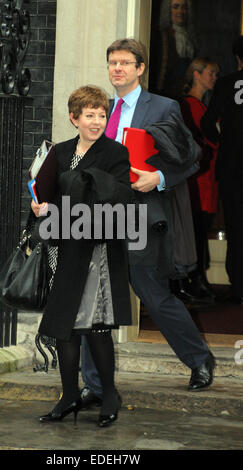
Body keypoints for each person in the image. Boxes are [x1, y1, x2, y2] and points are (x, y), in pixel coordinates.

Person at [80, 38, 216, 410]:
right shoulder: (99, 109)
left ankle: (200, 359)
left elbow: (191, 158)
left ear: (140, 68)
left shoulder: (164, 107)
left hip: (141, 215)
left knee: (153, 294)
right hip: (102, 217)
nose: (117, 69)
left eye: (125, 62)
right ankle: (93, 384)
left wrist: (158, 177)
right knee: (95, 300)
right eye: (112, 63)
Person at [30, 85, 134, 428]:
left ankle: (108, 396)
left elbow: (111, 199)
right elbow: (46, 192)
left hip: (96, 251)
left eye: (102, 115)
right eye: (89, 115)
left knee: (95, 328)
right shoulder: (58, 152)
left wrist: (57, 206)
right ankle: (69, 395)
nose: (97, 121)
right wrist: (38, 205)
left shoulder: (116, 153)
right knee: (65, 329)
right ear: (74, 118)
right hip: (63, 248)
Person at [201, 36, 243, 305]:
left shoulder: (227, 83)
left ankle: (238, 287)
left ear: (238, 59)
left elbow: (207, 122)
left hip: (232, 167)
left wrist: (222, 141)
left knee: (236, 228)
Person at [180, 58, 219, 301]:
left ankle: (198, 279)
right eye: (211, 72)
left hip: (208, 177)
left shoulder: (202, 105)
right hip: (199, 178)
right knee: (195, 229)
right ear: (196, 74)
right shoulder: (190, 105)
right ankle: (193, 279)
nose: (214, 77)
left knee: (201, 229)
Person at [151, 0, 196, 99]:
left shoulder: (189, 36)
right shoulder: (162, 36)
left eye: (184, 7)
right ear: (168, 10)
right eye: (176, 7)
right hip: (165, 92)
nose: (180, 11)